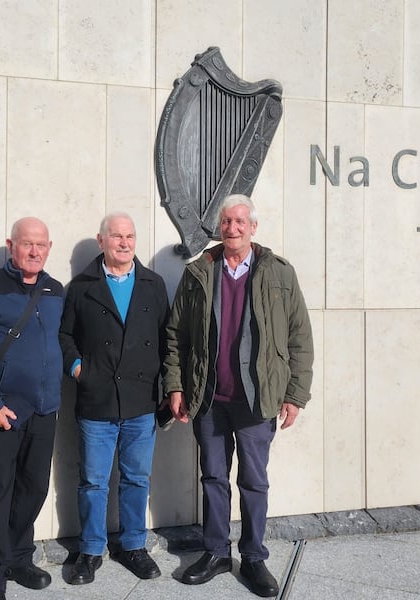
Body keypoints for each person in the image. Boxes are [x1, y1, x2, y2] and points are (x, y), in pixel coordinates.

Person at [163, 194, 314, 598]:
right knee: (213, 477)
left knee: (253, 481)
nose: (232, 228)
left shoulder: (279, 273)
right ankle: (214, 552)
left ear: (253, 227)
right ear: (220, 226)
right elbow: (175, 336)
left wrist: (295, 394)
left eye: (240, 221)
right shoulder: (199, 272)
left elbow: (300, 337)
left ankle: (253, 557)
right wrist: (176, 385)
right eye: (227, 221)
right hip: (209, 399)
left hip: (256, 400)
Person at [59, 212, 170, 585]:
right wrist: (77, 367)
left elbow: (167, 338)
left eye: (130, 236)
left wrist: (169, 388)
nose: (124, 243)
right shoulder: (81, 286)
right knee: (93, 481)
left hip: (140, 401)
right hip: (97, 400)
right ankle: (91, 550)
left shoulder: (153, 284)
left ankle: (134, 546)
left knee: (136, 478)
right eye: (116, 237)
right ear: (101, 240)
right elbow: (65, 335)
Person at [0, 217, 64, 600]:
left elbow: (60, 343)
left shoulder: (55, 290)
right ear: (11, 245)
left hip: (44, 411)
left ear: (49, 248)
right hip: (2, 412)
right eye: (27, 244)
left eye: (41, 245)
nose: (34, 251)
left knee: (33, 488)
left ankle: (20, 556)